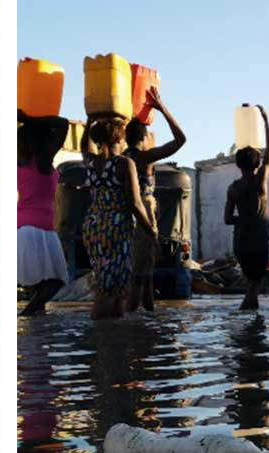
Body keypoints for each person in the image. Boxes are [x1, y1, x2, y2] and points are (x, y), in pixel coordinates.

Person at [121, 88, 188, 313]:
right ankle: (128, 327)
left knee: (145, 274)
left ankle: (149, 315)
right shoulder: (144, 157)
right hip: (143, 214)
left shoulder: (122, 159)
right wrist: (162, 108)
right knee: (140, 278)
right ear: (143, 138)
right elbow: (181, 139)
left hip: (127, 215)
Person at [82, 117, 156, 319]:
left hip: (94, 227)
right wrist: (149, 230)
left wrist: (89, 122)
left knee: (106, 279)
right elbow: (135, 203)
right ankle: (98, 332)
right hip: (116, 228)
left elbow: (83, 146)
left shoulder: (91, 162)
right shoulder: (124, 163)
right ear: (119, 138)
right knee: (114, 284)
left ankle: (114, 332)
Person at [18, 115, 71, 315]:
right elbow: (63, 124)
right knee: (56, 281)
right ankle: (25, 316)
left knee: (40, 289)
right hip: (40, 229)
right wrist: (30, 119)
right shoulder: (43, 160)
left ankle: (36, 335)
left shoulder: (19, 163)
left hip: (24, 228)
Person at [224, 105, 269, 310]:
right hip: (258, 239)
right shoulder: (259, 181)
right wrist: (266, 121)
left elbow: (227, 219)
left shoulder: (233, 188)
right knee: (254, 285)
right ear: (257, 164)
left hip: (241, 241)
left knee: (251, 284)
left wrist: (244, 219)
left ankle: (250, 327)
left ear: (237, 164)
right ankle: (247, 328)